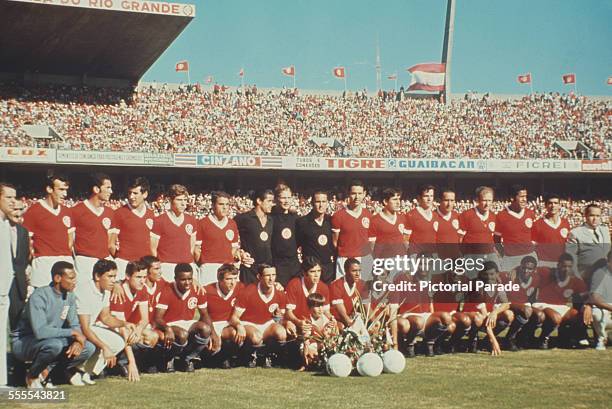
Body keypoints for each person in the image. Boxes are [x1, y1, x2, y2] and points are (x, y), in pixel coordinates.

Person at [11, 261, 95, 388]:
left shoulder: (70, 297)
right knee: (54, 345)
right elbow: (41, 332)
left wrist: (77, 341)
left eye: (75, 278)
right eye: (71, 278)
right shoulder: (39, 296)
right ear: (57, 278)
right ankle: (32, 376)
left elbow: (74, 324)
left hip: (52, 340)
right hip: (24, 342)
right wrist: (72, 333)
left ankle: (46, 371)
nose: (74, 281)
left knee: (88, 348)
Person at [76, 259, 134, 384]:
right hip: (77, 329)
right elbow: (84, 328)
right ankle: (74, 371)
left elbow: (106, 318)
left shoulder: (106, 291)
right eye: (110, 276)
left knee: (119, 342)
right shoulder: (84, 291)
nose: (114, 280)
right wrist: (105, 347)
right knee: (109, 344)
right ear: (97, 276)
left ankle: (86, 371)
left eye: (115, 276)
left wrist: (125, 323)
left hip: (90, 327)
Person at [154, 263, 215, 372]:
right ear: (175, 279)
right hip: (171, 324)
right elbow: (158, 318)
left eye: (190, 279)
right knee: (182, 334)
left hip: (188, 323)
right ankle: (169, 358)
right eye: (183, 279)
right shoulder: (167, 290)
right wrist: (167, 328)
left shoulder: (197, 290)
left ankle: (187, 359)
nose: (187, 283)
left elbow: (205, 314)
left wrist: (213, 334)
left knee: (206, 329)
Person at [229, 264, 287, 368]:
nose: (271, 278)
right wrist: (239, 326)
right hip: (249, 323)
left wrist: (280, 318)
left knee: (281, 333)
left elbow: (281, 316)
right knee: (256, 337)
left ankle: (267, 355)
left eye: (273, 275)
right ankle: (249, 354)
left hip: (267, 323)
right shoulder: (248, 291)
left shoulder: (280, 293)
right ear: (259, 277)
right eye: (267, 275)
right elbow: (234, 317)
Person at [109, 261, 159, 380]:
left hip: (125, 327)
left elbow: (145, 319)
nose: (142, 280)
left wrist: (138, 330)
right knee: (126, 332)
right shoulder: (119, 291)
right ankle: (125, 363)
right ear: (127, 276)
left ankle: (125, 362)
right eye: (138, 277)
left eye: (144, 277)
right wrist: (132, 363)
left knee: (152, 336)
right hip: (109, 327)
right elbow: (120, 327)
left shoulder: (142, 289)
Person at [22, 174, 74, 288]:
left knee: (64, 303)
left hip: (65, 261)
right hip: (44, 264)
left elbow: (70, 239)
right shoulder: (34, 211)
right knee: (43, 301)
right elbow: (26, 241)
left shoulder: (67, 211)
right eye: (61, 189)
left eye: (66, 190)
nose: (65, 194)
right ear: (49, 189)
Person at [533, 253, 589, 349]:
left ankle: (565, 338)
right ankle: (543, 339)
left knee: (577, 314)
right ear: (558, 265)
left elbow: (587, 296)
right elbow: (529, 266)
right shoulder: (547, 272)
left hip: (561, 307)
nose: (566, 269)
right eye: (564, 266)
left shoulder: (575, 281)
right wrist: (515, 270)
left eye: (569, 266)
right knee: (556, 318)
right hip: (543, 305)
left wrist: (588, 306)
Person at [462, 262, 514, 356]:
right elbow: (483, 314)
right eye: (485, 274)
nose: (489, 277)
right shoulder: (477, 286)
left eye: (492, 274)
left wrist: (494, 312)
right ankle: (473, 339)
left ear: (497, 274)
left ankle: (485, 341)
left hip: (486, 314)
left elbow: (506, 304)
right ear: (481, 274)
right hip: (473, 316)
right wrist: (493, 340)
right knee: (478, 318)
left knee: (509, 314)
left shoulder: (498, 285)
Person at [150, 184, 199, 282]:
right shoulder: (160, 220)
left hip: (187, 266)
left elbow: (192, 246)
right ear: (171, 200)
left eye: (185, 200)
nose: (183, 203)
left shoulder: (191, 220)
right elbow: (152, 248)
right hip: (167, 267)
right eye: (179, 200)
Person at [109, 177, 155, 278]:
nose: (131, 196)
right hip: (125, 264)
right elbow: (111, 244)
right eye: (129, 193)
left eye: (135, 193)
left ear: (145, 194)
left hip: (145, 266)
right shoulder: (119, 213)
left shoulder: (152, 215)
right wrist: (122, 258)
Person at [71, 173, 115, 279]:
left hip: (104, 263)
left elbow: (110, 243)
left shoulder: (110, 213)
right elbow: (70, 241)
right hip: (84, 263)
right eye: (108, 187)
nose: (111, 191)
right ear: (96, 189)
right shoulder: (76, 211)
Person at [203, 264, 244, 368]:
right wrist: (213, 334)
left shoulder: (241, 288)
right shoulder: (207, 290)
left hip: (228, 325)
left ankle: (226, 357)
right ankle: (203, 358)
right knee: (211, 348)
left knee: (235, 334)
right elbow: (204, 315)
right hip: (211, 325)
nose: (233, 282)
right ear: (219, 279)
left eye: (235, 278)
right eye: (229, 279)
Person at [195, 191, 241, 285]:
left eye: (227, 204)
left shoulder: (232, 224)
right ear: (213, 205)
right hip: (209, 268)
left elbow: (234, 247)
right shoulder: (202, 223)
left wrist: (226, 261)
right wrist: (204, 262)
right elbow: (196, 249)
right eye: (221, 204)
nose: (225, 207)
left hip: (227, 268)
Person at [332, 180, 373, 280]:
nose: (357, 197)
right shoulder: (338, 216)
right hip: (345, 259)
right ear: (348, 194)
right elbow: (335, 242)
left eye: (360, 193)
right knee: (344, 291)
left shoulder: (368, 214)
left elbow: (371, 240)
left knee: (365, 292)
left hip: (365, 259)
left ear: (364, 194)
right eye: (354, 193)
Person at [498, 256, 540, 351]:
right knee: (526, 310)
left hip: (523, 305)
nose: (526, 271)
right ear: (520, 266)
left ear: (534, 270)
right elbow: (494, 274)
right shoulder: (510, 275)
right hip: (509, 304)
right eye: (523, 267)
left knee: (540, 316)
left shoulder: (536, 278)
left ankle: (523, 338)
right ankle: (510, 338)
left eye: (529, 269)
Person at [284, 257, 332, 336]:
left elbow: (326, 311)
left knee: (332, 329)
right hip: (298, 321)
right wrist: (298, 322)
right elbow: (288, 312)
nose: (316, 275)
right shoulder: (294, 284)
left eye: (319, 271)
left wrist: (331, 319)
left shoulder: (323, 287)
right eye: (312, 271)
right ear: (304, 272)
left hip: (314, 321)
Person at [459, 186, 499, 278]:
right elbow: (459, 238)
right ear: (477, 200)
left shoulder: (493, 216)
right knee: (473, 283)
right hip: (472, 256)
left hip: (489, 256)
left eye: (490, 200)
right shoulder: (466, 215)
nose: (487, 204)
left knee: (491, 282)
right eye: (484, 200)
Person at [235, 190, 274, 284]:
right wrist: (239, 251)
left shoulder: (271, 220)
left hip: (267, 268)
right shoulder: (243, 218)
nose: (272, 204)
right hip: (250, 267)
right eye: (269, 201)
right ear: (259, 201)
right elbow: (229, 233)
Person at [296, 190, 335, 284]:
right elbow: (295, 245)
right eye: (318, 202)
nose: (321, 205)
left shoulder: (331, 221)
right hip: (311, 270)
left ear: (327, 203)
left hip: (328, 271)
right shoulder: (302, 222)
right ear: (312, 203)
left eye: (324, 202)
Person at [494, 185, 537, 272]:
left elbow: (535, 235)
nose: (524, 199)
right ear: (512, 198)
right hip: (510, 259)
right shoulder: (501, 215)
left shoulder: (530, 213)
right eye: (521, 196)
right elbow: (496, 239)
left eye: (525, 196)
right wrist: (504, 254)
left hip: (530, 256)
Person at [0, 182, 17, 387]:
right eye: (9, 198)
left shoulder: (7, 225)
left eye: (15, 197)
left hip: (4, 291)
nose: (14, 201)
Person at [566, 203, 611, 279]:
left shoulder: (605, 230)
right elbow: (571, 258)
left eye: (597, 216)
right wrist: (577, 278)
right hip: (586, 277)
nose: (595, 218)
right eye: (592, 215)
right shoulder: (575, 233)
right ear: (585, 216)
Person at [271, 184, 301, 286]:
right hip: (277, 264)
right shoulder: (270, 217)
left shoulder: (296, 218)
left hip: (294, 264)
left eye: (289, 197)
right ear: (276, 199)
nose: (286, 201)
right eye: (283, 197)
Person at [8, 198, 30, 331]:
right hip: (3, 281)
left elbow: (24, 258)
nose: (18, 213)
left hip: (18, 284)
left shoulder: (23, 231)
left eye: (21, 210)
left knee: (16, 322)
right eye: (14, 209)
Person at [532, 193, 571, 268]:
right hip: (544, 264)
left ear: (560, 205)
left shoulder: (565, 223)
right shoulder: (537, 224)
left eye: (556, 203)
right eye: (550, 203)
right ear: (545, 205)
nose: (553, 206)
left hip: (561, 264)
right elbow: (532, 247)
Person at [368, 188, 407, 261]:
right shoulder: (375, 220)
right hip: (384, 262)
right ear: (385, 201)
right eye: (395, 199)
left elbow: (406, 241)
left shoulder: (403, 218)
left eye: (399, 199)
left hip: (401, 261)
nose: (398, 202)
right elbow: (371, 246)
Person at [329, 258, 365, 329]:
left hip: (352, 319)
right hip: (337, 320)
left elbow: (367, 305)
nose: (358, 274)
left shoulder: (361, 284)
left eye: (359, 270)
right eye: (354, 271)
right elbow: (340, 310)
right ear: (346, 271)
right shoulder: (336, 285)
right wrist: (351, 324)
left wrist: (374, 321)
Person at [404, 184, 439, 256]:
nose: (429, 199)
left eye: (431, 196)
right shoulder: (411, 215)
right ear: (419, 198)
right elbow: (405, 239)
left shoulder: (436, 216)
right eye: (426, 196)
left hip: (433, 256)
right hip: (416, 255)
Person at [589, 250, 612, 350]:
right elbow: (595, 298)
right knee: (596, 314)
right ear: (608, 261)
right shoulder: (600, 273)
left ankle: (609, 337)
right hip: (605, 308)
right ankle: (601, 338)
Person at [435, 188, 464, 260]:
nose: (449, 204)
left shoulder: (458, 216)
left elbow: (462, 238)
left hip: (455, 259)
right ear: (439, 201)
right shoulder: (432, 217)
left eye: (452, 200)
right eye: (446, 200)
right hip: (438, 260)